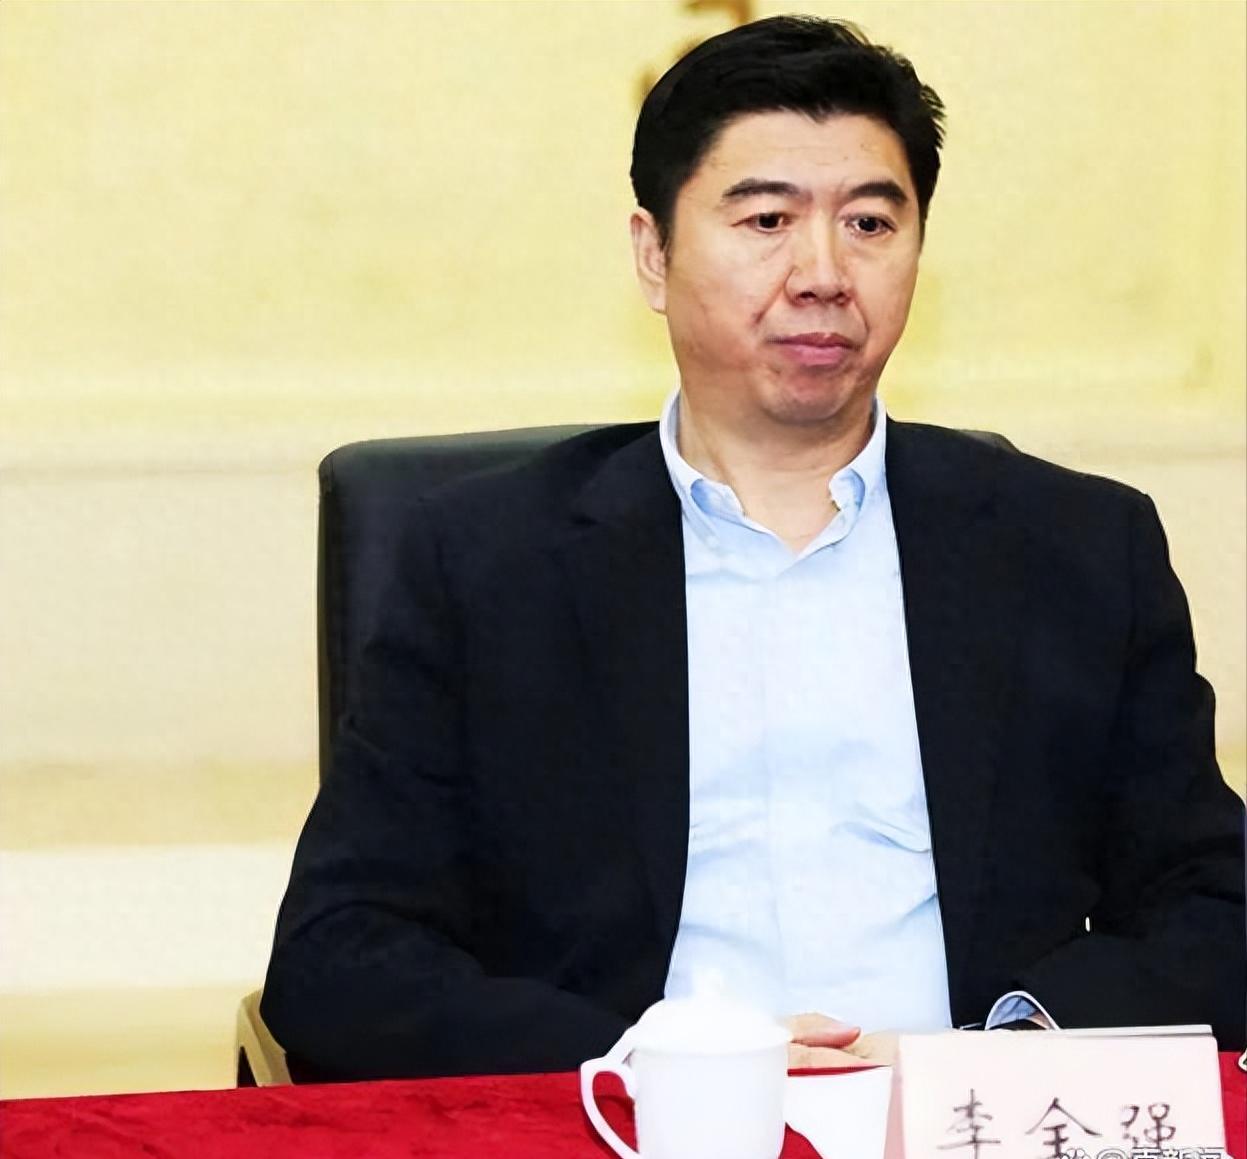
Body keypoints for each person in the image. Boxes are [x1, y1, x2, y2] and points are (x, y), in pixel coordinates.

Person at [261, 16, 1246, 1081]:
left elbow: (1216, 906)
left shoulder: (1076, 550)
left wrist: (1002, 1051)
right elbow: (338, 955)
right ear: (653, 254)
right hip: (637, 1119)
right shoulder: (484, 563)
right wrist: (650, 1058)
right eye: (766, 219)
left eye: (869, 222)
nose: (822, 272)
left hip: (965, 1114)